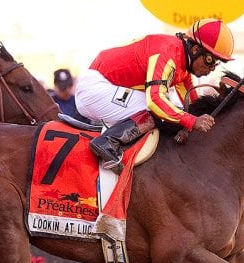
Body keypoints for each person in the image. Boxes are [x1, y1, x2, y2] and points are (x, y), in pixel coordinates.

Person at [75, 18, 233, 173]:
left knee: (172, 110)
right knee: (158, 110)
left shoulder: (183, 66)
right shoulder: (168, 52)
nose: (212, 68)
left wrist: (204, 120)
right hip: (94, 89)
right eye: (210, 60)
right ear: (195, 49)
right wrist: (192, 121)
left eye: (217, 63)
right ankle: (107, 142)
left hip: (108, 89)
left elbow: (193, 105)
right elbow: (155, 101)